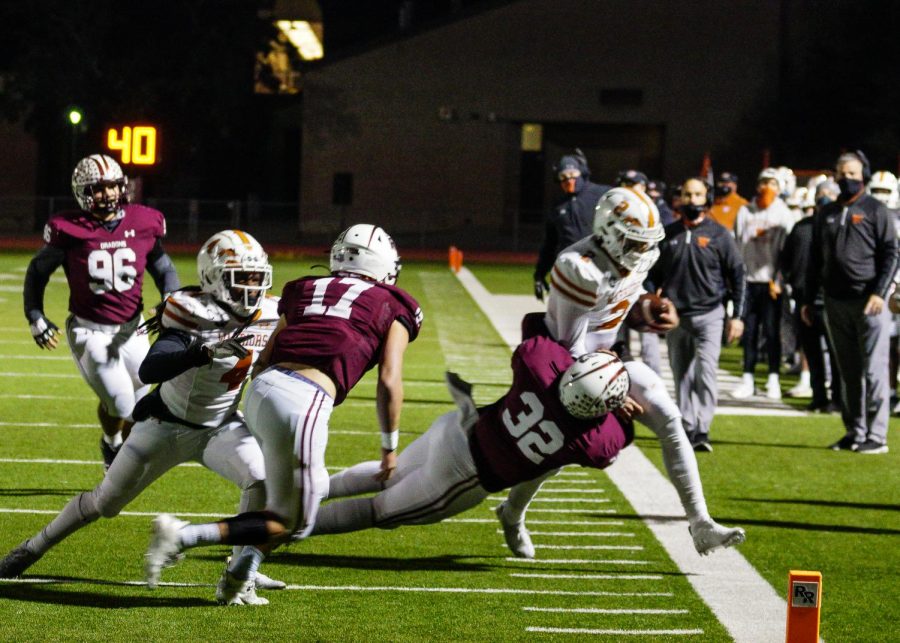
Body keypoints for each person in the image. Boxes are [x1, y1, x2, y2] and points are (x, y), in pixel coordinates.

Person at [0, 230, 286, 604]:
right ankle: (30, 549)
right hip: (164, 428)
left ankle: (240, 571)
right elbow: (151, 368)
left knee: (261, 480)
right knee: (105, 503)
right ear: (213, 278)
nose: (251, 287)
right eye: (240, 277)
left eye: (255, 277)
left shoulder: (271, 312)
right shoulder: (191, 311)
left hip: (221, 426)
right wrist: (200, 351)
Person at [144, 224, 423, 596]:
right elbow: (389, 379)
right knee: (293, 520)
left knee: (295, 495)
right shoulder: (395, 302)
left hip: (262, 390)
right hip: (303, 399)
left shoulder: (304, 288)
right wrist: (389, 446)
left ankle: (237, 578)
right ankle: (182, 536)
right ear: (384, 264)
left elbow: (268, 352)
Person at [311, 338, 744, 559]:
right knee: (378, 512)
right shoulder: (596, 440)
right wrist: (618, 409)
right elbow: (613, 440)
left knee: (389, 470)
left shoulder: (541, 365)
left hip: (458, 431)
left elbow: (539, 342)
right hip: (468, 476)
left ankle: (299, 494)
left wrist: (591, 355)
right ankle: (285, 524)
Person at [497, 189, 740, 558]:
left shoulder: (636, 254)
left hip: (606, 359)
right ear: (609, 233)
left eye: (645, 243)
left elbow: (629, 296)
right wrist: (610, 395)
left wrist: (650, 309)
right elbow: (571, 345)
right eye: (633, 241)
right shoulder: (579, 266)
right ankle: (512, 513)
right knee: (555, 453)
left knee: (671, 419)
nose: (642, 251)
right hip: (563, 365)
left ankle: (701, 522)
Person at [23, 154, 180, 469]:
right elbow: (38, 272)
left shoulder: (144, 221)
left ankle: (118, 449)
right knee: (121, 404)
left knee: (139, 404)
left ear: (123, 186)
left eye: (111, 186)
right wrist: (35, 314)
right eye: (97, 188)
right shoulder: (66, 228)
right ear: (83, 192)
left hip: (133, 328)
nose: (106, 194)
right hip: (89, 329)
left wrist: (171, 299)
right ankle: (114, 446)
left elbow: (162, 267)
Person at [803, 152, 898, 454]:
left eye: (853, 173)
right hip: (834, 300)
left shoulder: (876, 209)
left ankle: (877, 435)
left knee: (874, 371)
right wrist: (808, 298)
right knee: (847, 371)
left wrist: (879, 293)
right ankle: (854, 431)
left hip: (868, 300)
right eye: (842, 173)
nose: (847, 178)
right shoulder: (826, 212)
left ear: (864, 176)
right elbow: (815, 260)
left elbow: (892, 254)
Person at [651, 178, 746, 452]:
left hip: (710, 314)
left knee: (706, 373)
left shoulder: (719, 234)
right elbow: (651, 276)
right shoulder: (667, 234)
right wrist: (653, 303)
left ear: (707, 197)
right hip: (676, 317)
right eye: (687, 195)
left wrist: (736, 315)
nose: (693, 200)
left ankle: (702, 429)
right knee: (681, 375)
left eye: (698, 194)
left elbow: (738, 275)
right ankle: (688, 426)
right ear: (679, 198)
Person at [731, 168, 795, 400]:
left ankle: (773, 378)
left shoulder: (784, 213)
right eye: (764, 182)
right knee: (748, 332)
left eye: (773, 183)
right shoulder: (745, 211)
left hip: (771, 281)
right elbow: (738, 245)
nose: (768, 187)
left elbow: (788, 251)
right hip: (748, 281)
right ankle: (747, 377)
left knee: (772, 331)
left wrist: (780, 278)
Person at [533, 150, 610, 301]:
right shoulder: (557, 206)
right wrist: (540, 273)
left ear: (581, 172)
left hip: (600, 268)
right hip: (569, 270)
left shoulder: (603, 194)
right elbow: (550, 244)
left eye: (573, 173)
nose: (569, 179)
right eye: (563, 176)